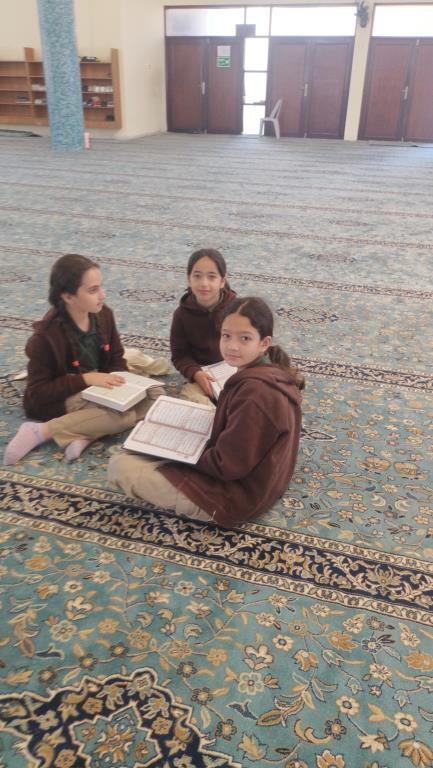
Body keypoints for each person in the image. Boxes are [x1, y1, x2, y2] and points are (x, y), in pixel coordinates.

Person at [108, 297, 304, 528]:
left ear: (264, 343)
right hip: (260, 481)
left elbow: (227, 466)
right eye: (226, 335)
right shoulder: (266, 371)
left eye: (245, 338)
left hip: (235, 498)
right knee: (144, 446)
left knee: (121, 465)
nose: (232, 346)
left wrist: (179, 452)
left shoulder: (255, 394)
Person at [3, 253, 160, 465]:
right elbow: (38, 393)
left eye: (101, 287)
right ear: (68, 297)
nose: (102, 295)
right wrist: (86, 379)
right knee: (122, 416)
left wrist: (125, 385)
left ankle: (85, 433)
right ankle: (40, 431)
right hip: (63, 397)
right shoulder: (45, 338)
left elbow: (116, 359)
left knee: (156, 396)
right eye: (93, 290)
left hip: (98, 387)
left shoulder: (105, 315)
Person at [170, 248, 236, 404]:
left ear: (222, 281)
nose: (204, 283)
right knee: (192, 400)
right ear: (189, 279)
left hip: (235, 368)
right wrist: (196, 373)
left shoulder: (237, 310)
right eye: (197, 276)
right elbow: (179, 356)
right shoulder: (181, 315)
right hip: (203, 373)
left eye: (211, 277)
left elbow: (251, 345)